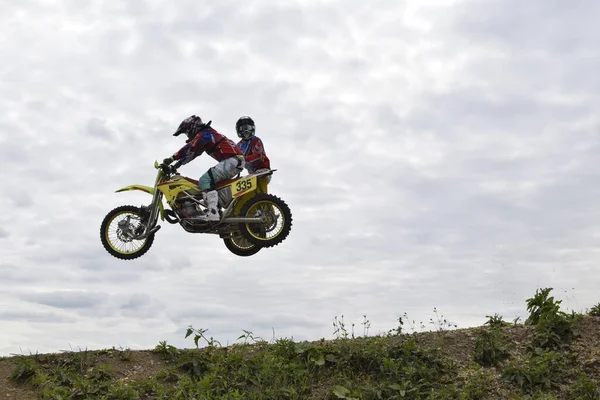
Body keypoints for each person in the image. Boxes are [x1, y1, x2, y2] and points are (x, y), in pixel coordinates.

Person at [161, 115, 245, 221]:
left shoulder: (204, 134)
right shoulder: (207, 134)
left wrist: (172, 158)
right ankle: (216, 210)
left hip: (233, 161)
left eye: (187, 132)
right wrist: (177, 165)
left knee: (205, 180)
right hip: (234, 161)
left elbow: (190, 147)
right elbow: (193, 153)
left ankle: (213, 212)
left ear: (193, 127)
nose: (187, 135)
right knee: (212, 184)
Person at [235, 116, 271, 183]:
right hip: (252, 173)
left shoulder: (256, 140)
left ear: (252, 128)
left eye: (248, 128)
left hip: (263, 170)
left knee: (258, 182)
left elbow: (258, 156)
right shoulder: (238, 146)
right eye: (243, 128)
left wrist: (243, 159)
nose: (246, 131)